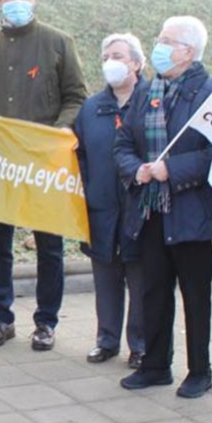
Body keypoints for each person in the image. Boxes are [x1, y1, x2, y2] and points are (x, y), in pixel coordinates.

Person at [0, 0, 89, 351]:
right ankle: (0, 319)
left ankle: (46, 322)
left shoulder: (58, 43)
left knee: (49, 245)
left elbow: (76, 95)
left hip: (43, 165)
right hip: (2, 165)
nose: (15, 1)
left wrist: (63, 130)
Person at [115, 15, 212, 399]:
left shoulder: (211, 94)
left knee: (195, 296)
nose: (159, 47)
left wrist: (171, 170)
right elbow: (123, 144)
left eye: (167, 41)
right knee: (154, 291)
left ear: (188, 51)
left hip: (191, 212)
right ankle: (155, 365)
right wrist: (139, 170)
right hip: (150, 210)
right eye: (159, 38)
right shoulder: (149, 90)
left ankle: (199, 370)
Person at [74, 33, 148, 370]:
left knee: (141, 281)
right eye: (106, 56)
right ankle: (106, 340)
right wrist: (87, 191)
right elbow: (81, 155)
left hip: (139, 207)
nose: (110, 62)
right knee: (105, 279)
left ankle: (141, 344)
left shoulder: (152, 101)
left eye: (118, 55)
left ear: (136, 62)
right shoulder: (92, 107)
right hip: (101, 208)